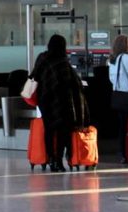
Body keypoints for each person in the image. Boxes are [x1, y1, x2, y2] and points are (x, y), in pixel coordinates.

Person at [30, 34, 87, 172]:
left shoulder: (42, 58)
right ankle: (58, 160)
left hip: (45, 100)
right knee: (63, 130)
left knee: (49, 129)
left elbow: (34, 76)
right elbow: (70, 81)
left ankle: (50, 159)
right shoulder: (62, 60)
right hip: (62, 101)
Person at [109, 34, 128, 164]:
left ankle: (122, 152)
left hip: (117, 96)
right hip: (127, 97)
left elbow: (111, 79)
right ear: (124, 45)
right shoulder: (126, 58)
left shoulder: (113, 60)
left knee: (122, 126)